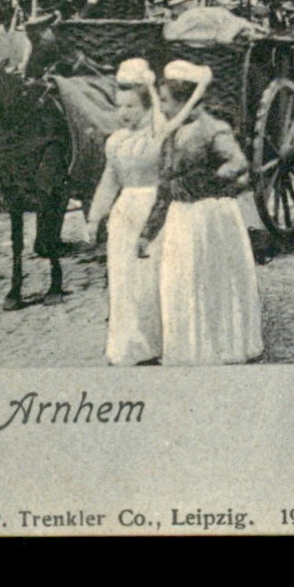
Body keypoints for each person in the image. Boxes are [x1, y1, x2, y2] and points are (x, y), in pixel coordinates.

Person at [140, 60, 263, 366]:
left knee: (212, 282)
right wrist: (147, 232)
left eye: (166, 101)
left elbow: (237, 163)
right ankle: (190, 347)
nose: (162, 108)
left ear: (185, 100)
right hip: (183, 218)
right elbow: (165, 187)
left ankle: (219, 346)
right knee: (180, 282)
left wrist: (206, 181)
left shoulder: (212, 128)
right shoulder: (171, 133)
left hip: (211, 217)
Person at [87, 60, 167, 365]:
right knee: (123, 278)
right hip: (124, 215)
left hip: (153, 212)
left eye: (131, 106)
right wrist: (95, 217)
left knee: (150, 278)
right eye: (119, 106)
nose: (124, 113)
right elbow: (110, 181)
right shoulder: (116, 142)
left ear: (147, 105)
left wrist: (148, 85)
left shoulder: (157, 135)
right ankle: (130, 342)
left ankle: (156, 341)